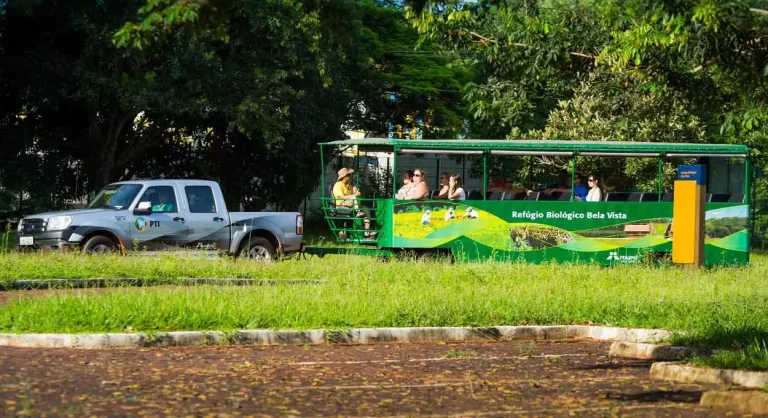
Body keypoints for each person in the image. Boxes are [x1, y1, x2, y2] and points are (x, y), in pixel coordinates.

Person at [332, 168, 374, 237]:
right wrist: (354, 195)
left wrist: (356, 192)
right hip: (341, 204)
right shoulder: (338, 185)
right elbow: (342, 197)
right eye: (349, 175)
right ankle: (358, 212)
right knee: (354, 198)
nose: (350, 176)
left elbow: (353, 194)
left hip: (351, 204)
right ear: (344, 177)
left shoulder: (349, 185)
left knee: (366, 209)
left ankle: (367, 232)